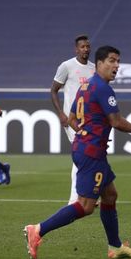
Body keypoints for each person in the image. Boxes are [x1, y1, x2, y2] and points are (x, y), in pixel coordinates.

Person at [24, 46, 131, 259]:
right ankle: (38, 230)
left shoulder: (86, 86)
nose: (116, 66)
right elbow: (116, 122)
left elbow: (71, 118)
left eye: (118, 61)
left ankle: (115, 247)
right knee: (86, 206)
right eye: (112, 61)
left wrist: (85, 132)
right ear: (99, 64)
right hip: (91, 153)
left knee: (110, 195)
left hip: (88, 148)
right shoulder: (103, 88)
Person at [51, 35, 96, 204]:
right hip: (72, 119)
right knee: (81, 153)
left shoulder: (93, 69)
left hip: (89, 119)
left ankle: (86, 195)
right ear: (76, 49)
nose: (86, 49)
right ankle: (74, 198)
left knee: (89, 155)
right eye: (82, 47)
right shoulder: (66, 66)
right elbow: (53, 90)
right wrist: (61, 114)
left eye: (88, 46)